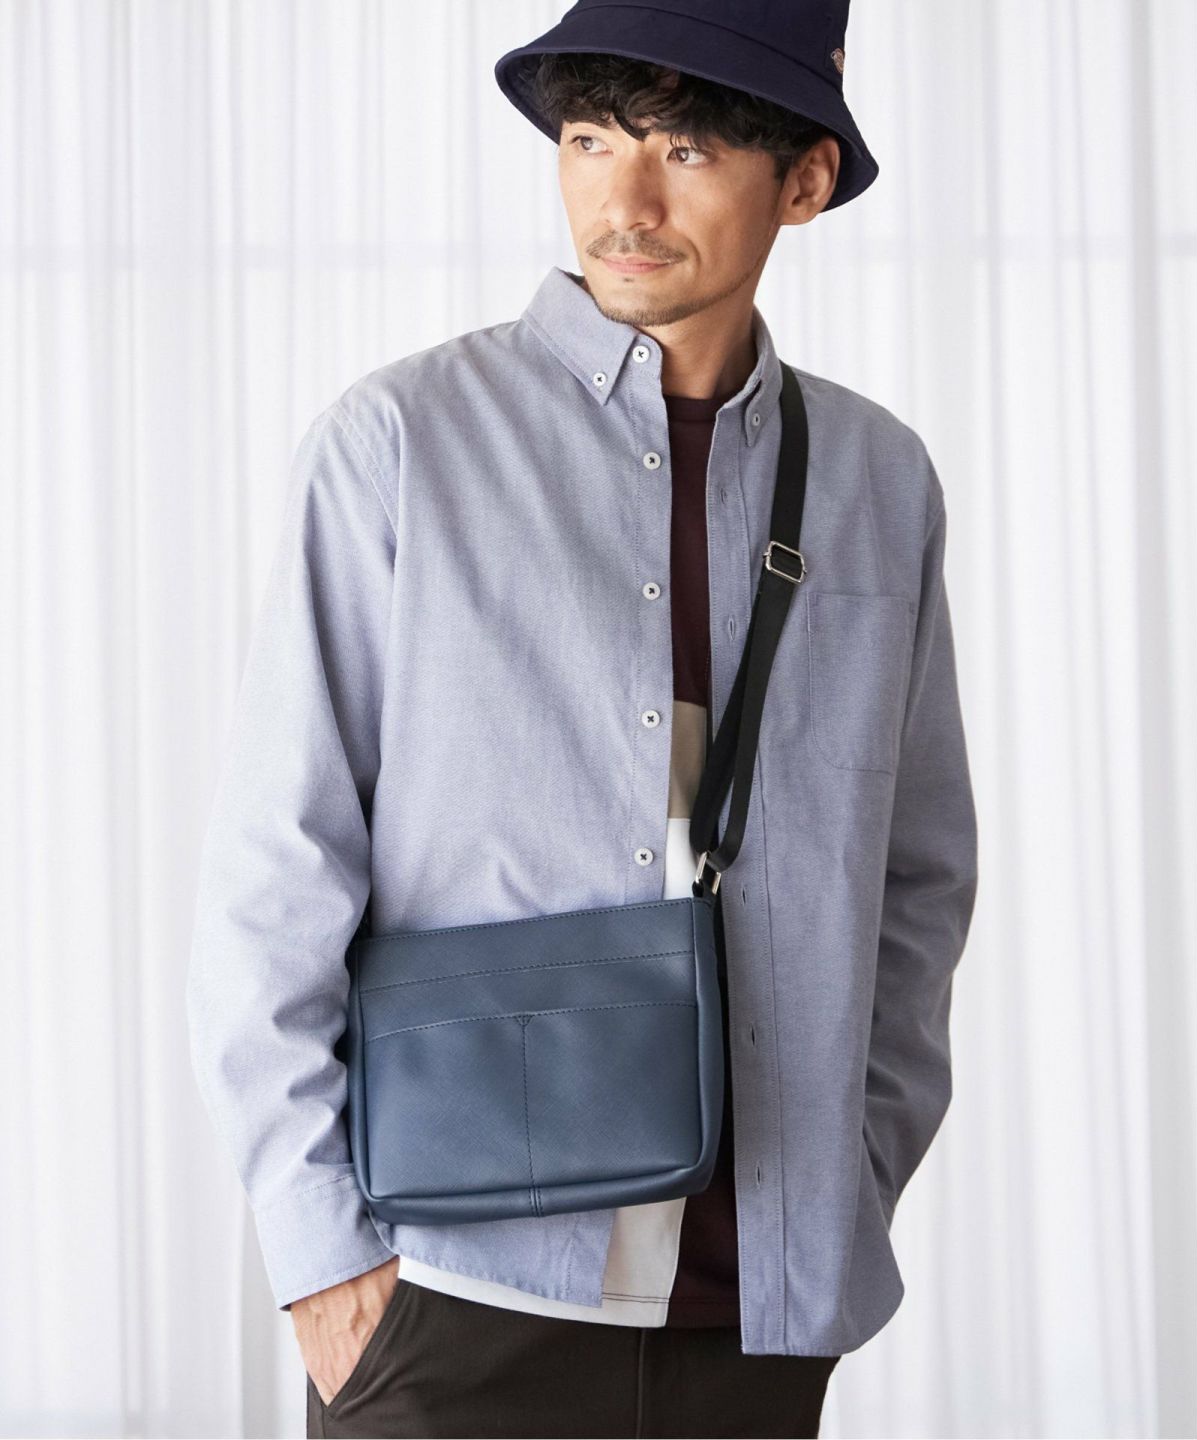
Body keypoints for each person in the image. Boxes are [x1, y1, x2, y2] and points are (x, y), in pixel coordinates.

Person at [185, 3, 979, 1436]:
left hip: (761, 1311)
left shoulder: (878, 479)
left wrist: (852, 1174)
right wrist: (324, 1261)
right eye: (592, 138)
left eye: (688, 149)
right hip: (454, 1294)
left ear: (805, 179)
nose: (625, 201)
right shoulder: (402, 443)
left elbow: (917, 878)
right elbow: (277, 869)